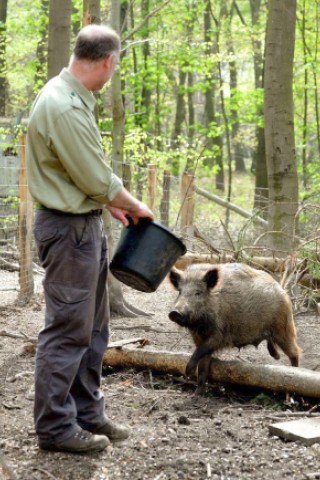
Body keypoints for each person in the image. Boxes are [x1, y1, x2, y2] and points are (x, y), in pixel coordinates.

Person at [26, 24, 154, 454]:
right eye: (115, 66)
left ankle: (87, 411)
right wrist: (134, 206)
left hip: (83, 225)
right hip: (67, 232)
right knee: (67, 330)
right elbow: (98, 177)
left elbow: (83, 171)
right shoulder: (63, 106)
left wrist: (107, 205)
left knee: (94, 328)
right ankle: (56, 427)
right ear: (107, 61)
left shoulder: (75, 98)